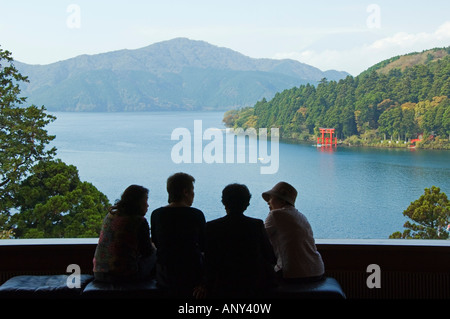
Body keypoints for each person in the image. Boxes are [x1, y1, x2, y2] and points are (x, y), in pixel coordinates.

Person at [204, 184, 277, 298]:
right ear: (247, 203)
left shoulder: (211, 226)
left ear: (224, 202)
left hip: (221, 285)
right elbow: (270, 256)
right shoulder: (256, 225)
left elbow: (209, 260)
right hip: (251, 286)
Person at [150, 172, 206, 297]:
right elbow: (203, 245)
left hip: (165, 274)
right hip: (191, 273)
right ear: (185, 192)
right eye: (192, 190)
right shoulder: (196, 214)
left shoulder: (156, 214)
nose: (193, 194)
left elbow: (157, 242)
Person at [262, 182, 325, 283]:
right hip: (317, 271)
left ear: (282, 200)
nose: (268, 202)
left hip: (294, 274)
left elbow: (260, 238)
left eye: (270, 198)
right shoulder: (301, 216)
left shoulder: (276, 214)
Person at [93, 184, 156, 283]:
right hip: (122, 275)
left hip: (99, 273)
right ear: (137, 202)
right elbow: (147, 251)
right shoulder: (138, 221)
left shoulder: (110, 215)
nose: (147, 205)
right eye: (145, 201)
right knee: (156, 253)